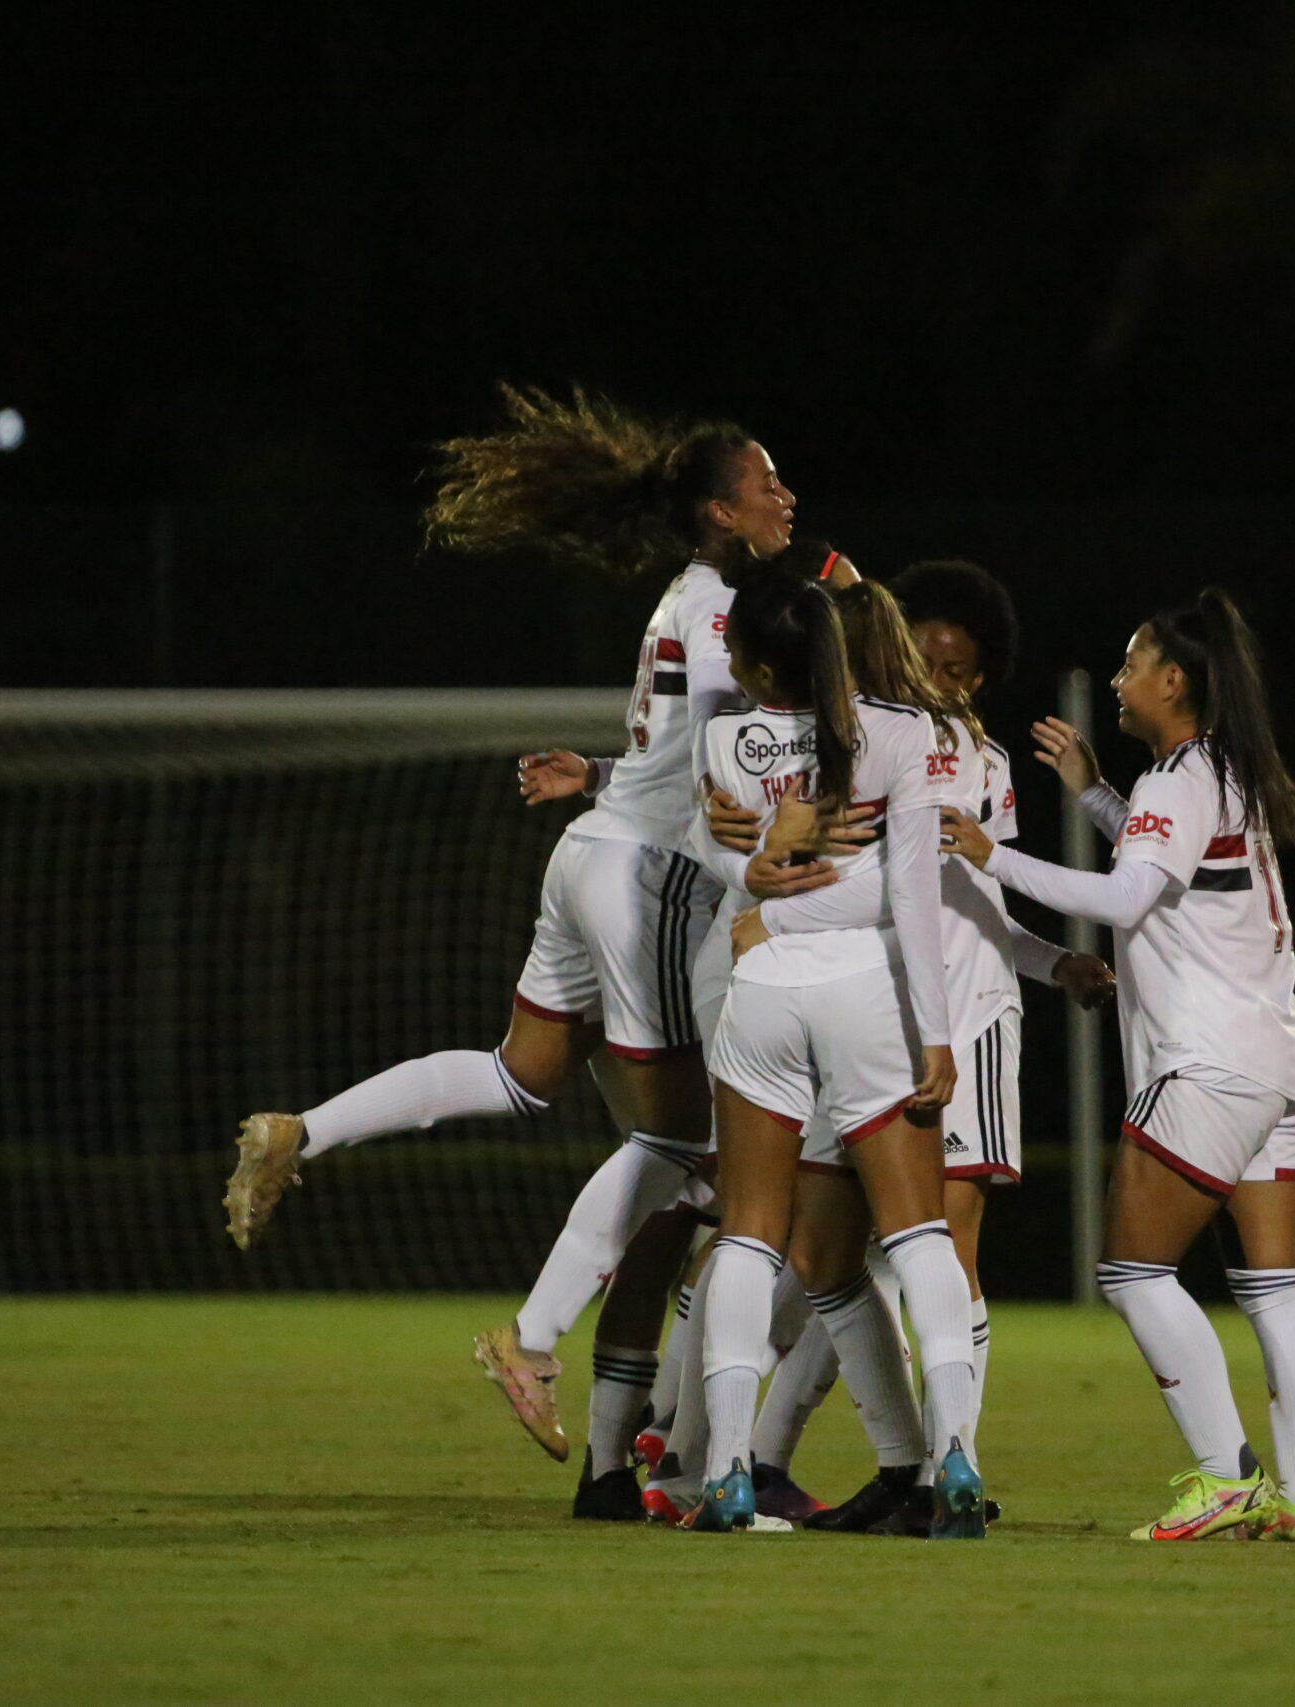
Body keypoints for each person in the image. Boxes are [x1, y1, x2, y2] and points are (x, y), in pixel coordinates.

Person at [218, 386, 836, 1511]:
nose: (785, 494)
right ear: (716, 510)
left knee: (520, 1075)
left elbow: (674, 757)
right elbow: (720, 757)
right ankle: (541, 1342)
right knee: (689, 1144)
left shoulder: (688, 594)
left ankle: (305, 1130)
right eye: (765, 482)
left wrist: (599, 778)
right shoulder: (719, 618)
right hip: (650, 880)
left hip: (594, 855)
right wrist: (750, 859)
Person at [941, 587, 1295, 1543]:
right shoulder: (1228, 768)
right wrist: (1087, 788)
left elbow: (1126, 899)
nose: (1118, 680)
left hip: (1208, 1064)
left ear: (1173, 679)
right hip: (1281, 1057)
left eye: (1130, 663)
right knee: (1275, 1284)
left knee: (1130, 1272)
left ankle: (1224, 1476)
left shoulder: (1178, 780)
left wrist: (990, 854)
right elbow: (1165, 871)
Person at [726, 566, 1113, 1530]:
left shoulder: (960, 754)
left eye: (959, 664)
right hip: (865, 1011)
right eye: (923, 652)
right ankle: (844, 1463)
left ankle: (948, 1472)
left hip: (960, 1017)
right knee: (826, 1253)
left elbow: (953, 896)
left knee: (938, 1244)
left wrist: (1039, 962)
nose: (940, 673)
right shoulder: (855, 740)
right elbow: (910, 884)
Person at [685, 573, 989, 1536]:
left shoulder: (724, 739)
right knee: (918, 1234)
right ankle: (955, 1457)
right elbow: (912, 892)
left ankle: (728, 1470)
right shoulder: (901, 733)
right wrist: (936, 1036)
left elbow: (727, 854)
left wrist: (753, 877)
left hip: (764, 985)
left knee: (746, 1234)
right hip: (866, 991)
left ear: (760, 662)